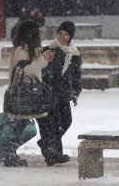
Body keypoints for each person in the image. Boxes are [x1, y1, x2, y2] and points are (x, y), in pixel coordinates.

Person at [4, 20, 54, 167]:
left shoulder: (31, 48)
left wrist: (43, 58)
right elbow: (24, 71)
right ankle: (10, 153)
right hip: (25, 94)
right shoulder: (21, 50)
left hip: (32, 94)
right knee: (22, 124)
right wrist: (42, 60)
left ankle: (50, 153)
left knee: (43, 123)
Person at [39, 20, 82, 165]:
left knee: (65, 121)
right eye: (60, 33)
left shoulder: (74, 53)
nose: (62, 37)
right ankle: (52, 154)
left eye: (66, 34)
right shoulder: (49, 50)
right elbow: (43, 72)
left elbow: (76, 75)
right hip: (49, 93)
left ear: (71, 37)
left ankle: (47, 145)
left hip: (63, 94)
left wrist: (75, 92)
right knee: (52, 124)